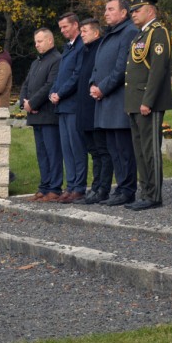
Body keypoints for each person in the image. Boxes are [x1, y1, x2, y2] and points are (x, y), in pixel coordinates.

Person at [124, 0, 172, 210]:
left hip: (147, 102)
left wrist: (148, 100)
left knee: (150, 149)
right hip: (135, 101)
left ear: (150, 11)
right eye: (132, 10)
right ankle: (145, 192)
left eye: (137, 10)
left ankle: (153, 196)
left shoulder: (158, 33)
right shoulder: (140, 35)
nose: (133, 13)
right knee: (140, 150)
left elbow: (158, 69)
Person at [89, 0, 138, 206]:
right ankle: (120, 189)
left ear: (123, 12)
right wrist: (93, 83)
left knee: (124, 149)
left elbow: (122, 68)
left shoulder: (130, 32)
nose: (106, 13)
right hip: (105, 101)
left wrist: (102, 88)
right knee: (114, 149)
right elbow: (98, 65)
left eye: (110, 9)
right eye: (105, 9)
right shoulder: (111, 34)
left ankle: (127, 190)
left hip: (118, 100)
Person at [20, 28, 62, 202]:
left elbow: (50, 85)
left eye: (40, 41)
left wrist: (33, 103)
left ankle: (54, 188)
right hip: (35, 114)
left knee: (53, 153)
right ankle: (44, 186)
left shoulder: (57, 60)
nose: (36, 44)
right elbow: (26, 84)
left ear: (50, 41)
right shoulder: (36, 62)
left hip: (48, 114)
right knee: (41, 153)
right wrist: (24, 102)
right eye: (35, 41)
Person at [49, 12, 87, 203]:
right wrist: (53, 92)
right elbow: (61, 75)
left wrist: (60, 93)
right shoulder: (68, 48)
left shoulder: (81, 46)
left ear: (75, 25)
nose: (62, 30)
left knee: (76, 147)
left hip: (73, 105)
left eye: (65, 27)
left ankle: (79, 187)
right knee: (67, 149)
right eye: (61, 27)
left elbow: (77, 75)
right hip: (62, 105)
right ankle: (70, 186)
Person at [76, 18, 114, 204]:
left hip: (96, 107)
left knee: (102, 151)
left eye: (85, 30)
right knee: (93, 151)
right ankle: (95, 186)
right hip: (85, 108)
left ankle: (102, 188)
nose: (81, 34)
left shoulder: (100, 50)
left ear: (96, 33)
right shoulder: (86, 51)